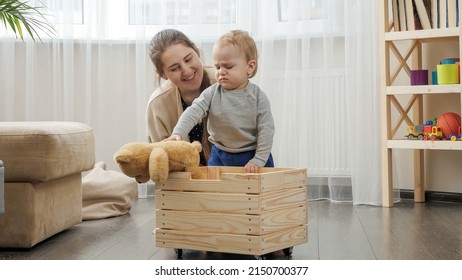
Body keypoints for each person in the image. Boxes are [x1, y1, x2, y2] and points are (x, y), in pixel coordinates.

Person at [166, 30, 275, 173]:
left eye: (228, 67)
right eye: (217, 67)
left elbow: (266, 130)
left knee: (256, 190)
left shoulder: (258, 98)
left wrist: (259, 159)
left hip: (251, 154)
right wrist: (178, 133)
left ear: (250, 67)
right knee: (218, 189)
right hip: (220, 153)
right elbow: (193, 112)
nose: (221, 71)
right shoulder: (212, 93)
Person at [146, 29, 215, 165]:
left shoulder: (225, 84)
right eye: (174, 68)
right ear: (163, 73)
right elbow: (160, 161)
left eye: (188, 59)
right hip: (181, 181)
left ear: (197, 51)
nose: (187, 70)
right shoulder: (157, 105)